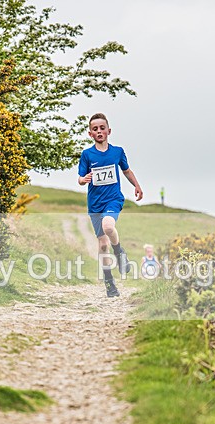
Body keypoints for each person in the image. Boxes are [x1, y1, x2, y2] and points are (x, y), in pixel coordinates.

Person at [77, 113, 143, 297]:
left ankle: (119, 252)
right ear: (90, 133)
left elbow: (127, 171)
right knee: (103, 245)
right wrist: (84, 179)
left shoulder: (117, 152)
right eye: (95, 129)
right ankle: (109, 283)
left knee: (108, 226)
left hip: (113, 199)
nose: (99, 131)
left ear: (109, 131)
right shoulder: (87, 155)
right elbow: (80, 178)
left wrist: (137, 186)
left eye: (102, 128)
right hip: (95, 204)